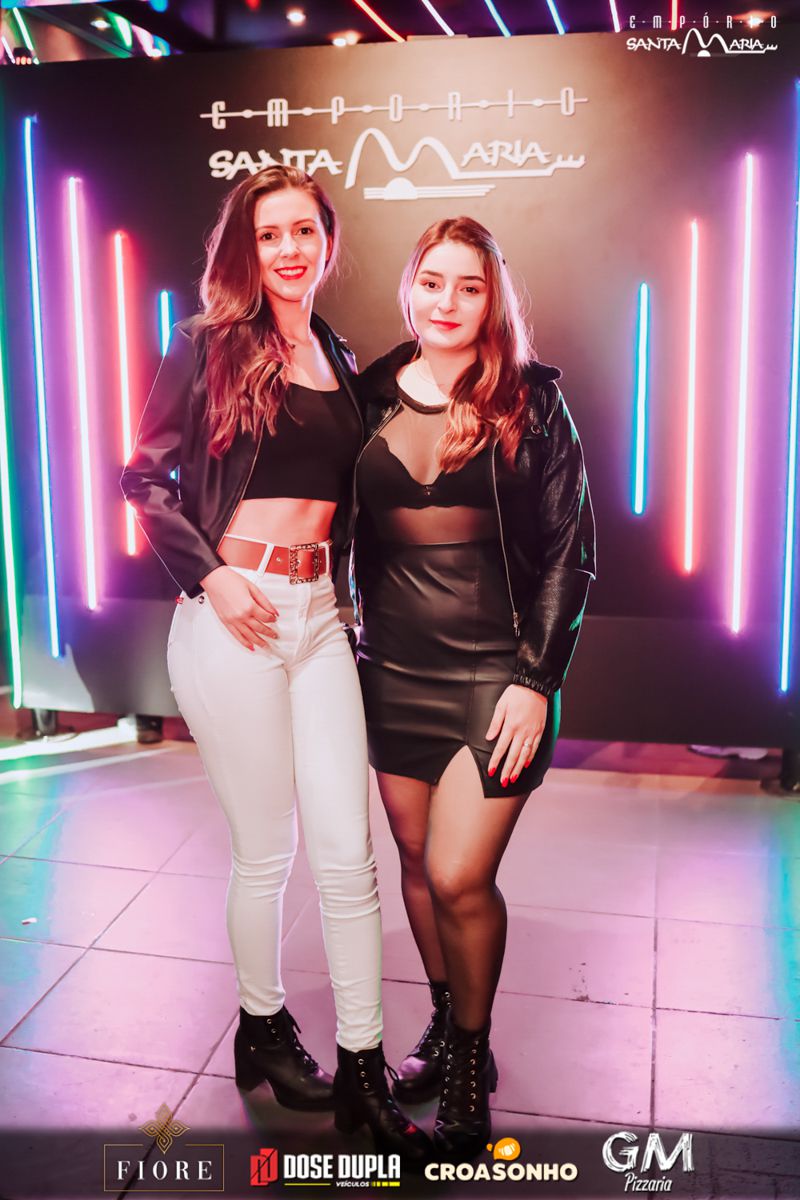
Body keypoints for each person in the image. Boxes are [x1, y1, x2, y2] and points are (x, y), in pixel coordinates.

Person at [121, 166, 430, 1163]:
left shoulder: (338, 355)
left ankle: (363, 1071)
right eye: (269, 234)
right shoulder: (206, 344)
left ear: (326, 241)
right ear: (244, 250)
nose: (289, 250)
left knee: (348, 854)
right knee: (267, 851)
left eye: (304, 231)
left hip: (321, 619)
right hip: (235, 615)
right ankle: (262, 1024)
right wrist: (209, 578)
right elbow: (143, 477)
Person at [353, 217, 596, 1160]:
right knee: (416, 866)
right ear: (410, 287)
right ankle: (450, 1020)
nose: (447, 303)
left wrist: (537, 678)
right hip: (392, 669)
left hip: (500, 675)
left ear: (493, 297)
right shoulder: (369, 394)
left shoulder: (531, 401)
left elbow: (571, 552)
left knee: (460, 875)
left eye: (469, 286)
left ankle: (465, 1054)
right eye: (433, 282)